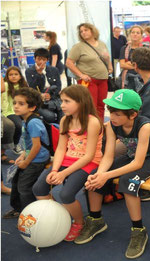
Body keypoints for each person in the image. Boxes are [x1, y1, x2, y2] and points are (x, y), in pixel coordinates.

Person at [78, 89, 150, 259]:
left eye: (117, 114)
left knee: (128, 182)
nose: (112, 117)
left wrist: (107, 176)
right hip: (132, 156)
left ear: (132, 114)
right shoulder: (111, 125)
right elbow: (109, 156)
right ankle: (96, 219)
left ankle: (139, 230)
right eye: (111, 111)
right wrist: (101, 174)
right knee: (94, 174)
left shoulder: (145, 126)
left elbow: (138, 164)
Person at [33, 85, 103, 241]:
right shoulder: (65, 120)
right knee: (39, 188)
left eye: (67, 101)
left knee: (66, 194)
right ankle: (62, 216)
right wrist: (54, 170)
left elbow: (89, 155)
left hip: (88, 162)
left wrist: (63, 173)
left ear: (81, 102)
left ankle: (79, 222)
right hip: (67, 160)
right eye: (62, 101)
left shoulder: (92, 122)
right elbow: (60, 149)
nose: (62, 105)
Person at [2, 88, 50, 219]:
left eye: (21, 104)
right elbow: (27, 144)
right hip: (30, 157)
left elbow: (36, 146)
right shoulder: (26, 119)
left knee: (24, 188)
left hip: (37, 160)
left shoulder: (33, 122)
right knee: (16, 183)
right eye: (15, 103)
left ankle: (30, 215)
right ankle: (18, 209)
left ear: (32, 107)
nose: (16, 106)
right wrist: (22, 156)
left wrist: (26, 162)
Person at [66, 23, 112, 122]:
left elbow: (107, 57)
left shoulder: (101, 44)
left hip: (103, 79)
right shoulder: (79, 47)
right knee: (90, 107)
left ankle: (100, 128)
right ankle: (90, 128)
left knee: (101, 105)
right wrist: (81, 75)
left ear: (92, 30)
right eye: (81, 31)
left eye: (85, 30)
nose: (83, 33)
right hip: (88, 81)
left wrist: (110, 66)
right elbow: (69, 63)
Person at [25, 48, 63, 123]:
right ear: (34, 59)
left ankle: (60, 131)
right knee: (50, 116)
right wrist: (39, 74)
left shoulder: (53, 70)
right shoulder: (29, 71)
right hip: (38, 100)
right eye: (39, 59)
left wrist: (50, 96)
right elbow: (32, 87)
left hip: (54, 97)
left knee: (63, 114)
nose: (41, 62)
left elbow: (58, 86)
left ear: (47, 60)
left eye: (44, 59)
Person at [2, 66, 28, 149]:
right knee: (18, 125)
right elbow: (4, 101)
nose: (13, 76)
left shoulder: (23, 85)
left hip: (23, 110)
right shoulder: (5, 85)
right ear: (7, 76)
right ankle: (15, 145)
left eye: (16, 74)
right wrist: (5, 114)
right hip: (11, 111)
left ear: (20, 76)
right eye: (10, 74)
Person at [119, 25, 145, 90]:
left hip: (142, 78)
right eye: (133, 32)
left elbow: (146, 64)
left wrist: (129, 64)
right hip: (127, 80)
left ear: (141, 35)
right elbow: (122, 65)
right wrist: (137, 66)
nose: (135, 34)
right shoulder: (124, 48)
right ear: (130, 34)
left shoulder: (145, 49)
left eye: (137, 33)